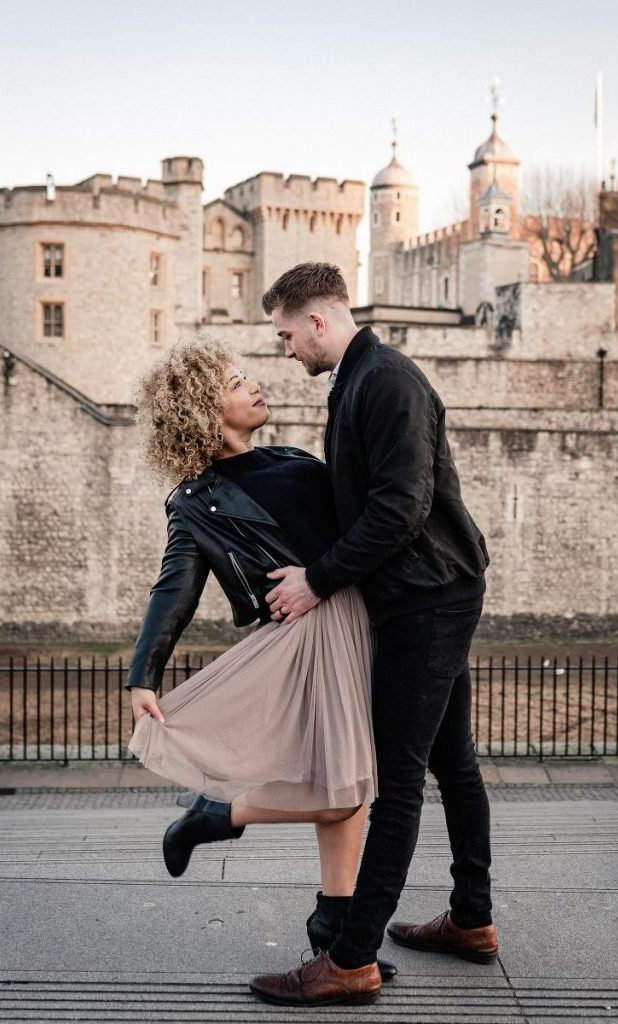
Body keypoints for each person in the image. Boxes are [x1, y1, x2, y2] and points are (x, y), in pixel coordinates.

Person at [248, 263, 497, 1008]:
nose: (285, 349)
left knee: (397, 782)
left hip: (427, 598)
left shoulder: (385, 381)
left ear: (317, 320)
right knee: (453, 763)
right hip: (428, 593)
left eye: (286, 334)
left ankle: (351, 958)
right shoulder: (358, 381)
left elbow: (399, 510)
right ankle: (472, 921)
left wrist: (316, 579)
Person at [124, 338, 396, 982]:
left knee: (347, 790)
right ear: (199, 408)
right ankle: (215, 815)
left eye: (248, 375)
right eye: (235, 381)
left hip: (353, 617)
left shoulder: (289, 456)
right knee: (346, 790)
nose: (253, 386)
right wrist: (143, 673)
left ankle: (335, 931)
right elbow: (175, 588)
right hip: (310, 634)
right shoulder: (196, 501)